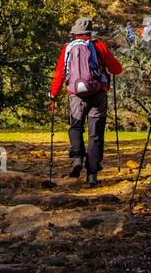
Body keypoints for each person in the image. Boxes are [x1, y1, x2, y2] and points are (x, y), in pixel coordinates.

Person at [49, 16, 123, 186]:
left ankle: (77, 159)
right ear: (90, 31)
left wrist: (53, 95)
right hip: (98, 94)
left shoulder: (68, 48)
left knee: (75, 125)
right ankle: (92, 175)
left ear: (75, 33)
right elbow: (117, 69)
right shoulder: (99, 46)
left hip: (76, 95)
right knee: (95, 134)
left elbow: (60, 73)